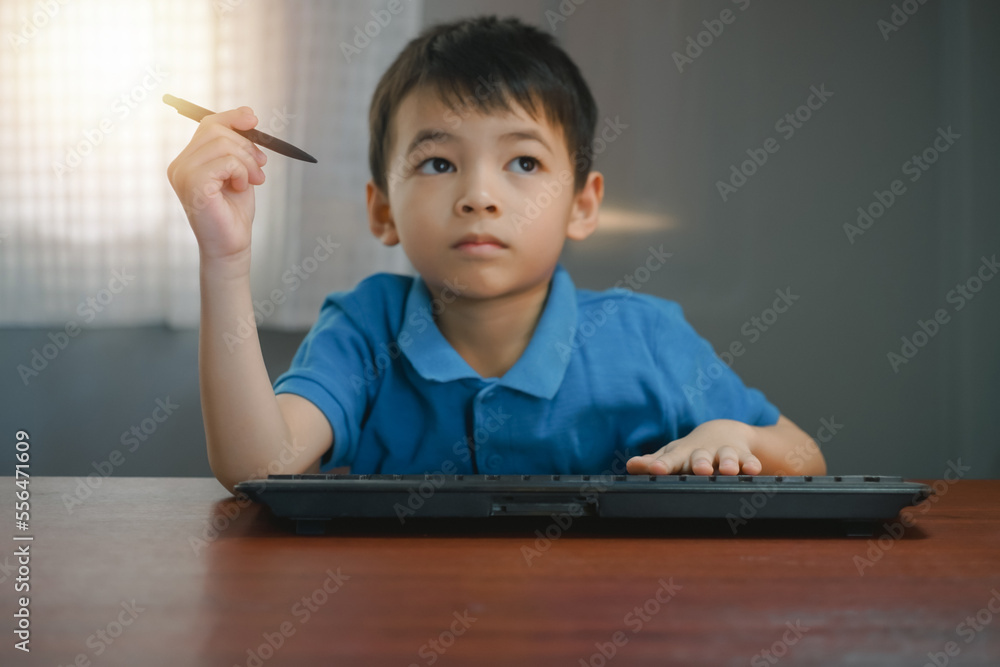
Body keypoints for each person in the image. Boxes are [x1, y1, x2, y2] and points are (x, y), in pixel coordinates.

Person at [167, 15, 826, 494]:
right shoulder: (364, 329)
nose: (479, 196)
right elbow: (260, 468)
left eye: (523, 162)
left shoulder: (646, 337)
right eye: (437, 163)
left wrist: (740, 440)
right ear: (382, 210)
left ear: (583, 204)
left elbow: (806, 459)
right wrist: (224, 261)